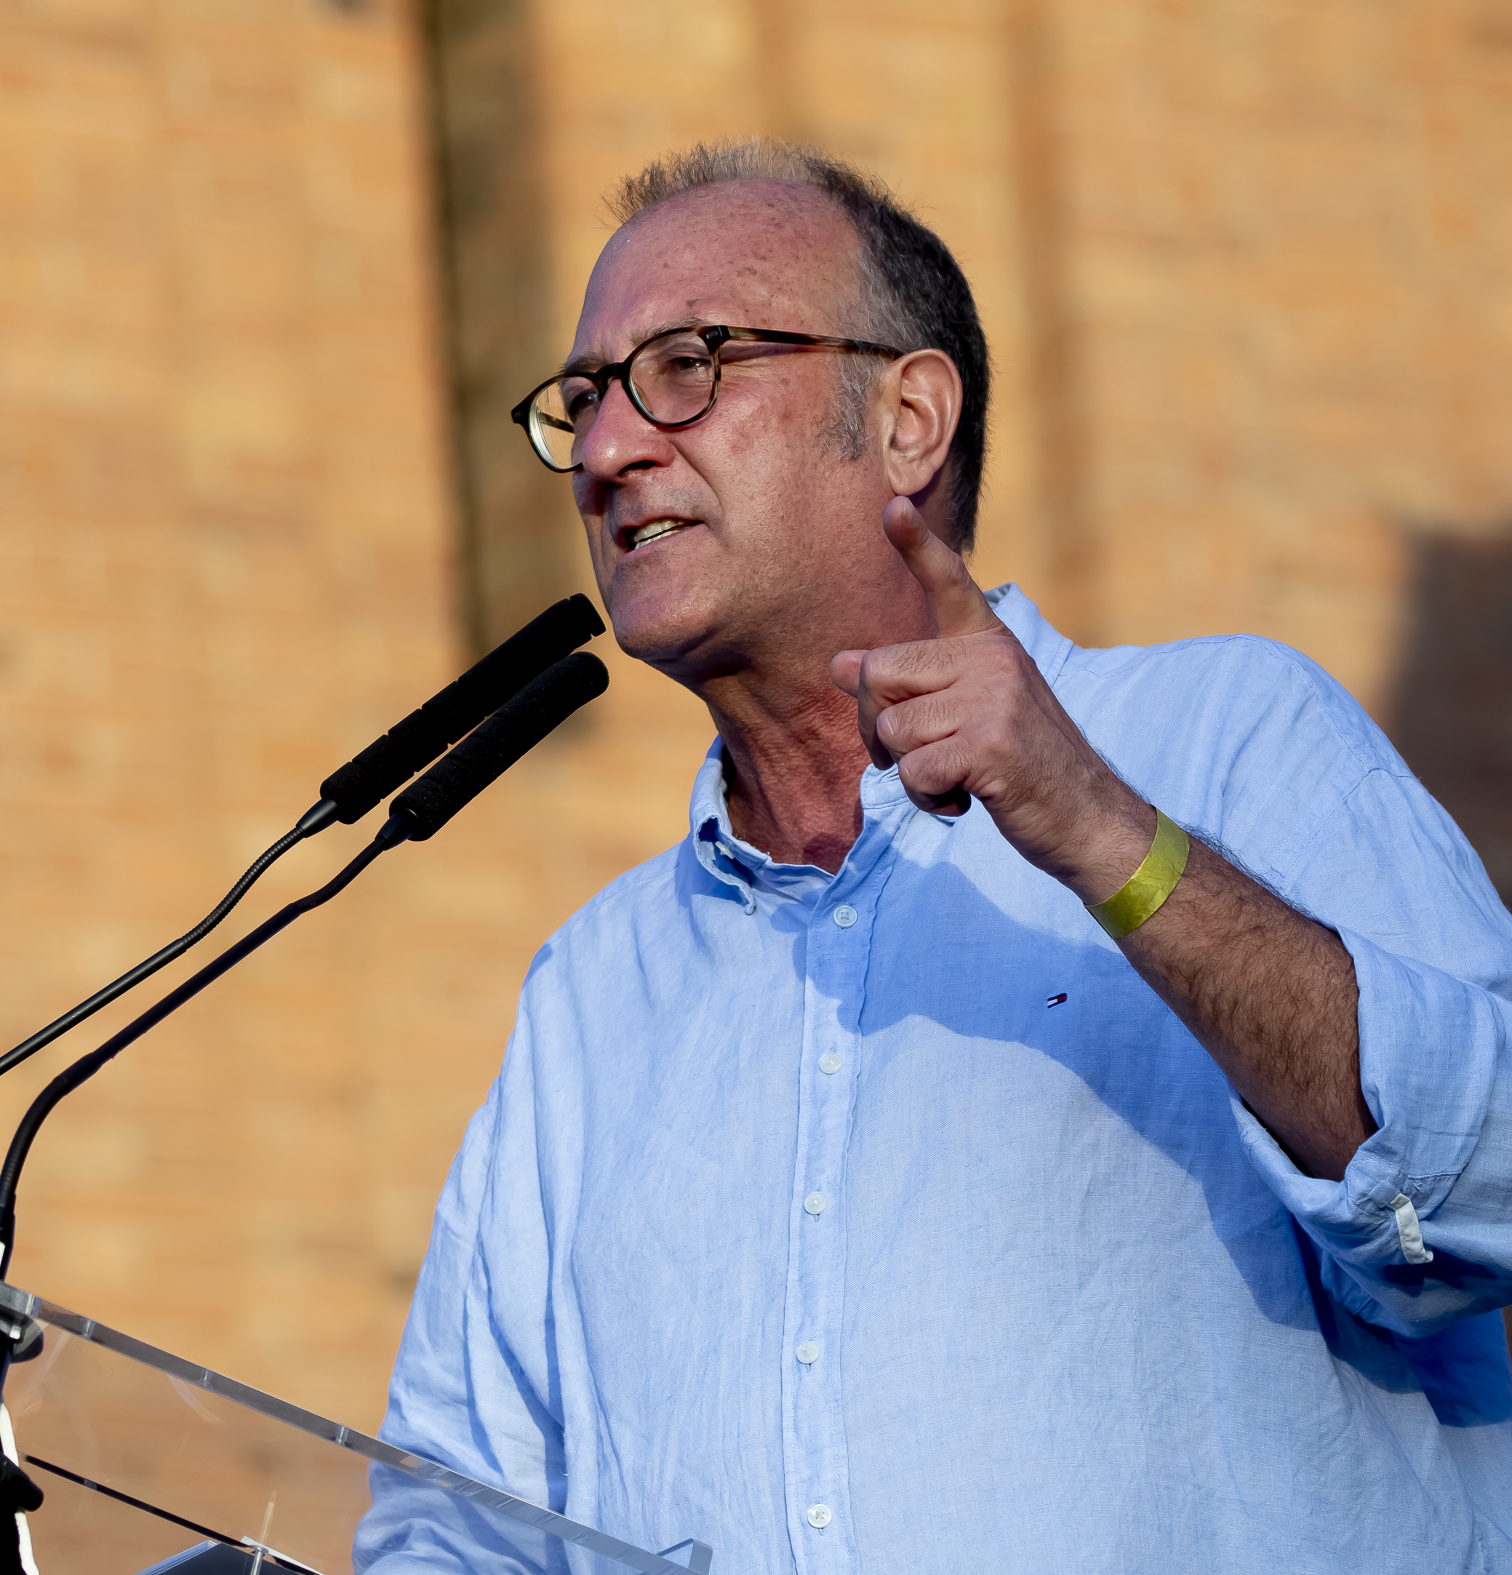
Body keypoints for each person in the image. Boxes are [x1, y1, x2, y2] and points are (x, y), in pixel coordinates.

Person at [370, 140, 1512, 1573]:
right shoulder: (592, 1000)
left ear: (908, 419)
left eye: (689, 364)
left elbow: (1489, 1199)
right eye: (585, 398)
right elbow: (454, 1515)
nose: (605, 451)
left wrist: (1106, 838)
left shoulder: (1223, 733)